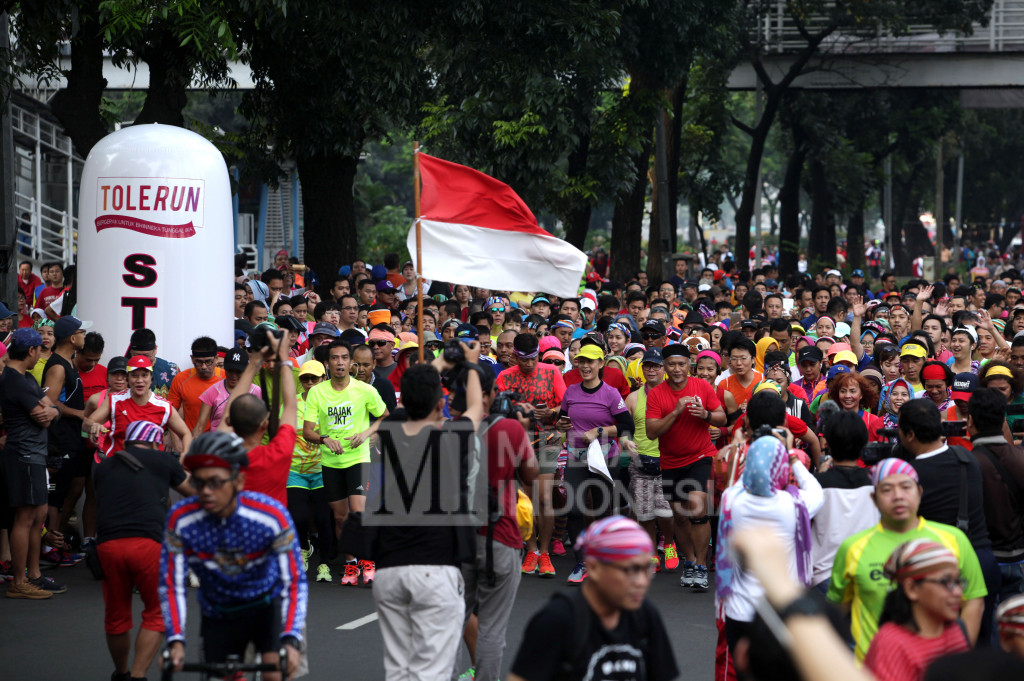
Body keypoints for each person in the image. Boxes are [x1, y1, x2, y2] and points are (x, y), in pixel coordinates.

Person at [369, 348, 483, 681]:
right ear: (439, 405)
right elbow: (476, 408)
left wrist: (439, 365)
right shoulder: (452, 436)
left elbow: (409, 401)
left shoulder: (390, 431)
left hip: (389, 569)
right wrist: (471, 363)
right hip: (435, 568)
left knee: (399, 670)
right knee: (431, 671)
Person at [160, 432, 306, 681]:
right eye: (199, 482)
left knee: (275, 672)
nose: (205, 491)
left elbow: (293, 581)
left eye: (215, 482)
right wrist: (175, 639)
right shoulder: (181, 519)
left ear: (238, 481)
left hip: (264, 606)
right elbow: (171, 584)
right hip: (217, 611)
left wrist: (292, 639)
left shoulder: (271, 517)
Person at [828, 458, 987, 660]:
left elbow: (973, 601)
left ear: (919, 492)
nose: (898, 496)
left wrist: (956, 663)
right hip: (871, 669)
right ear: (874, 498)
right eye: (887, 489)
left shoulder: (953, 539)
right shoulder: (852, 548)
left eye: (906, 487)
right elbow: (835, 613)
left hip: (936, 670)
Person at [507, 516, 679, 681]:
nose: (641, 582)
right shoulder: (557, 620)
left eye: (646, 569)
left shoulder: (646, 615)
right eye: (630, 570)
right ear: (594, 568)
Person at [451, 364, 538, 681]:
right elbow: (530, 476)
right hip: (500, 536)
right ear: (488, 394)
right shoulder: (511, 429)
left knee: (453, 621)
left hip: (460, 538)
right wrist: (522, 428)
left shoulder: (451, 429)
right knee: (491, 628)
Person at [93, 421, 192, 681]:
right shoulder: (162, 460)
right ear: (155, 442)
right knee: (157, 612)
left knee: (116, 615)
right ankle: (138, 676)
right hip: (148, 545)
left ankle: (122, 673)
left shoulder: (103, 468)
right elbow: (193, 492)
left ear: (126, 442)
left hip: (108, 546)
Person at [901, 398, 1000, 646]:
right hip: (982, 559)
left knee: (943, 647)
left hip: (940, 567)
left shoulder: (910, 477)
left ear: (909, 435)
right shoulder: (967, 459)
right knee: (981, 643)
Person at [716, 435, 823, 656]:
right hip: (781, 614)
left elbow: (737, 483)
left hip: (739, 613)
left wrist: (752, 454)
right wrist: (792, 456)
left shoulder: (732, 500)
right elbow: (816, 491)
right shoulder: (793, 504)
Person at [303, 339, 388, 586]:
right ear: (327, 364)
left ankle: (368, 561)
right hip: (330, 463)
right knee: (341, 518)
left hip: (359, 459)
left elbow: (384, 417)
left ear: (351, 363)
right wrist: (324, 439)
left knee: (359, 513)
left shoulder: (365, 390)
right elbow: (308, 431)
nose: (340, 363)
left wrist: (367, 433)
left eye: (344, 358)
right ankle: (351, 565)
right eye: (334, 358)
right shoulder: (317, 392)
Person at [646, 344, 727, 591]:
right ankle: (690, 562)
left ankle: (702, 565)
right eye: (672, 364)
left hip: (701, 456)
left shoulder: (701, 386)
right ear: (664, 367)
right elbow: (651, 432)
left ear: (688, 365)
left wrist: (704, 414)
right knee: (680, 516)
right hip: (670, 461)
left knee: (698, 508)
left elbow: (722, 417)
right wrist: (676, 412)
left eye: (682, 364)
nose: (677, 369)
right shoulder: (657, 394)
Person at [557, 343, 638, 584]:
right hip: (575, 457)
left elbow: (627, 426)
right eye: (581, 361)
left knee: (602, 510)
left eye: (591, 361)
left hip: (604, 458)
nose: (585, 366)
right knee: (573, 509)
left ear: (601, 364)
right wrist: (561, 426)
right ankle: (581, 562)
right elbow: (563, 420)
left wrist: (599, 430)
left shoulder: (611, 393)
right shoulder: (571, 391)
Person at [496, 333, 565, 576]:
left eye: (533, 358)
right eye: (524, 360)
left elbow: (565, 406)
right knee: (525, 500)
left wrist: (551, 413)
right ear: (515, 357)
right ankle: (531, 550)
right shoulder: (504, 377)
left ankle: (545, 553)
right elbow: (499, 413)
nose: (529, 364)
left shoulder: (552, 372)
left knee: (545, 498)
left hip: (548, 438)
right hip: (518, 443)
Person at [1, 328, 62, 598]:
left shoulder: (23, 378)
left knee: (37, 516)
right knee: (25, 518)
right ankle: (18, 581)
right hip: (23, 455)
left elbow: (49, 407)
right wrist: (53, 411)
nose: (41, 355)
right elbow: (43, 415)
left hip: (32, 455)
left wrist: (54, 410)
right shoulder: (14, 381)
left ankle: (33, 575)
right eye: (40, 350)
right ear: (31, 351)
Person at [864, 540, 971, 681]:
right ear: (911, 589)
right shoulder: (891, 644)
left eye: (957, 581)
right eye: (946, 581)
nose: (957, 592)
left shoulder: (955, 628)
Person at [967, 388, 1024, 603]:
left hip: (983, 561)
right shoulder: (1020, 458)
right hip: (1019, 559)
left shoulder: (968, 464)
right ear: (1003, 419)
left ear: (970, 420)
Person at [811, 412, 878, 592]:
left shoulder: (817, 485)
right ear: (864, 444)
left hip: (825, 575)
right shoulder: (876, 483)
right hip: (866, 573)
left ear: (828, 444)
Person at [625, 348, 677, 572]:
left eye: (656, 365)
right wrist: (626, 442)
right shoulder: (633, 397)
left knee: (665, 512)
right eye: (648, 365)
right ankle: (650, 551)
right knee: (645, 512)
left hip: (668, 460)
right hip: (640, 461)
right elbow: (624, 429)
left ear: (664, 368)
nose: (652, 369)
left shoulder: (673, 395)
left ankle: (669, 542)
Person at [84, 355, 192, 462]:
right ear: (128, 378)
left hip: (151, 467)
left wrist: (185, 455)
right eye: (134, 375)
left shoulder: (164, 406)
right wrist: (94, 426)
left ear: (151, 378)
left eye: (144, 375)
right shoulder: (115, 400)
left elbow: (185, 433)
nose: (140, 380)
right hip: (118, 464)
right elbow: (86, 423)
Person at [192, 347, 263, 435]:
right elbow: (199, 426)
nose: (233, 375)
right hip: (219, 445)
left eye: (238, 371)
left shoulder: (256, 392)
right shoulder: (213, 391)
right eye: (230, 371)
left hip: (246, 446)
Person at [167, 336, 224, 434]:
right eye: (199, 362)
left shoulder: (226, 378)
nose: (204, 366)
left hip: (220, 441)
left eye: (208, 362)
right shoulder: (181, 379)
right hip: (191, 439)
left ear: (216, 359)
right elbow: (171, 413)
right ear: (192, 359)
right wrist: (175, 440)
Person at [127, 328, 179, 399]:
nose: (142, 360)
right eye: (137, 356)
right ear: (131, 352)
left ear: (155, 349)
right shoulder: (122, 371)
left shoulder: (172, 370)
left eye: (147, 355)